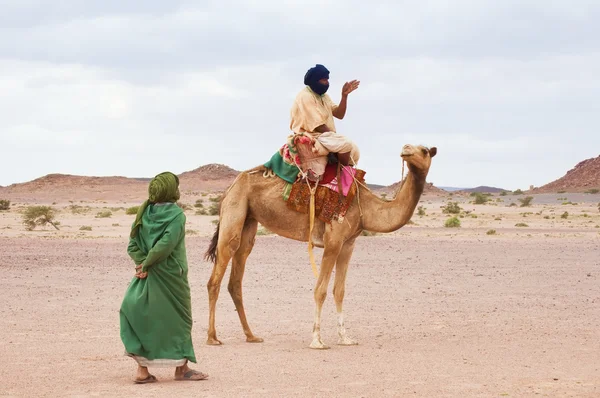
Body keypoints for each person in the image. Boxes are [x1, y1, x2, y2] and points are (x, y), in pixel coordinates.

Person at [119, 172, 208, 384]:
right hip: (171, 275)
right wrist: (147, 264)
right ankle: (182, 369)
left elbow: (132, 245)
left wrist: (142, 264)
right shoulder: (177, 215)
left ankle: (143, 371)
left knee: (144, 316)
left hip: (147, 273)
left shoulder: (144, 212)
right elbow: (166, 245)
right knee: (180, 319)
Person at [289, 64, 361, 177]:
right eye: (323, 80)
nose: (327, 82)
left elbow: (339, 114)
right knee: (345, 144)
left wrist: (344, 96)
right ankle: (341, 175)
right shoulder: (305, 96)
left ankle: (342, 171)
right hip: (312, 134)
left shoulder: (324, 96)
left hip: (324, 134)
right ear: (315, 80)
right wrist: (335, 138)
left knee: (354, 149)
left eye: (327, 79)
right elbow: (318, 125)